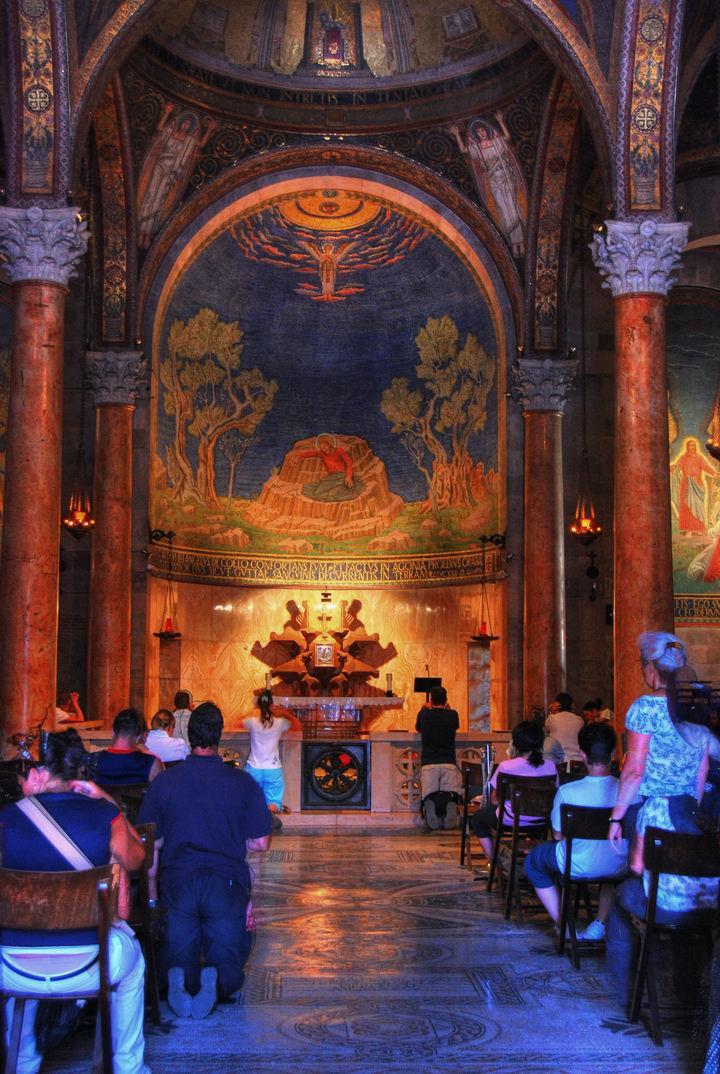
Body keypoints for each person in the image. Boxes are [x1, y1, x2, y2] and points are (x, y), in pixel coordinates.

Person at [0, 729, 149, 1074]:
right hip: (88, 966)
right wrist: (110, 803)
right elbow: (139, 859)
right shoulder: (103, 816)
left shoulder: (6, 819)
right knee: (134, 963)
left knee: (18, 943)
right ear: (80, 770)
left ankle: (22, 1061)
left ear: (40, 772)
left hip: (12, 969)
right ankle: (128, 1067)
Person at [137, 702, 271, 1019]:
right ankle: (217, 980)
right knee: (230, 961)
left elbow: (150, 844)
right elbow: (260, 843)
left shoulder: (165, 782)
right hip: (225, 885)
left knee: (175, 950)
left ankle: (179, 979)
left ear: (189, 734)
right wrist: (247, 898)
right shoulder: (242, 783)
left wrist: (153, 898)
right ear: (219, 737)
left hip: (177, 882)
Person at [524, 722, 628, 940]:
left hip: (576, 863)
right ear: (613, 753)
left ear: (582, 754)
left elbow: (558, 835)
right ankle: (600, 923)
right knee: (609, 870)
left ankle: (564, 924)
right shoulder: (628, 793)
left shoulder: (567, 792)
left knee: (534, 861)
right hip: (619, 865)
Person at [607, 632, 711, 844]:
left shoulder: (646, 707)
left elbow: (635, 772)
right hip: (684, 808)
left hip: (649, 808)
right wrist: (691, 809)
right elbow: (703, 769)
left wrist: (616, 818)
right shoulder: (695, 707)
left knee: (643, 873)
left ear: (650, 667)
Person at [470, 720, 557, 859]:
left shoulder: (506, 767)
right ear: (541, 742)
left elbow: (494, 799)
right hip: (542, 819)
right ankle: (532, 859)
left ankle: (493, 862)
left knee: (478, 818)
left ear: (515, 744)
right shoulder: (551, 766)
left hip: (510, 818)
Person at [243, 691, 302, 821]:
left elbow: (234, 722)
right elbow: (298, 727)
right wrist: (285, 713)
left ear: (258, 705)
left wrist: (253, 710)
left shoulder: (252, 722)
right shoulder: (279, 722)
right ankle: (269, 822)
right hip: (273, 769)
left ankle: (253, 824)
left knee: (249, 799)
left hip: (253, 768)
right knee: (273, 801)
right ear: (272, 705)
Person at [415, 685, 461, 830]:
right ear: (446, 700)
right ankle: (450, 809)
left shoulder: (424, 715)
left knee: (429, 794)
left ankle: (430, 807)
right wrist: (447, 708)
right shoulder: (453, 715)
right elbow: (455, 726)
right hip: (449, 762)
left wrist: (424, 708)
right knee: (450, 795)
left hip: (429, 762)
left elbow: (418, 728)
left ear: (431, 700)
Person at [92, 708, 163, 786]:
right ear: (140, 737)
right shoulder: (151, 764)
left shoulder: (90, 761)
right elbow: (160, 796)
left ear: (112, 731)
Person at [545, 692, 585, 762]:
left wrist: (551, 711)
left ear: (557, 704)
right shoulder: (580, 720)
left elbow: (546, 730)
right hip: (577, 760)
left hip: (559, 761)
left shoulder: (552, 718)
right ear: (572, 705)